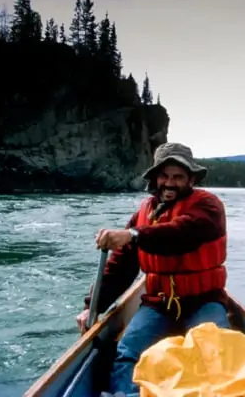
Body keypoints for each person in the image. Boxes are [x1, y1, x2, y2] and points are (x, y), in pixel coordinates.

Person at [76, 142, 231, 397]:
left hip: (204, 301)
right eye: (164, 176)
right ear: (155, 178)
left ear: (191, 179)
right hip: (158, 304)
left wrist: (133, 235)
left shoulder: (208, 206)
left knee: (217, 356)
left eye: (178, 177)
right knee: (127, 353)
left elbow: (182, 233)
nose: (170, 183)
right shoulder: (143, 213)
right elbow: (120, 268)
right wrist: (91, 306)